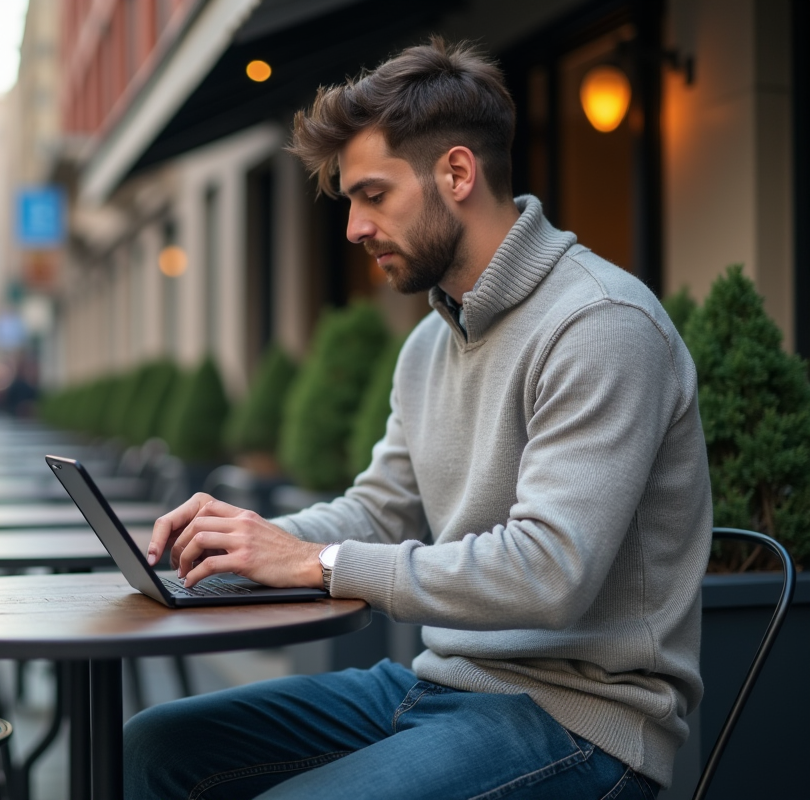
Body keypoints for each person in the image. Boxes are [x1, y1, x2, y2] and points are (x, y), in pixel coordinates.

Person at [134, 38, 711, 800]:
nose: (353, 228)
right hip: (440, 686)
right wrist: (247, 545)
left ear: (458, 172)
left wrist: (317, 564)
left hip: (581, 719)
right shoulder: (430, 343)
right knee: (158, 745)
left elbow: (551, 573)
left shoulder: (599, 324)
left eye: (373, 195)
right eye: (349, 202)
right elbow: (380, 510)